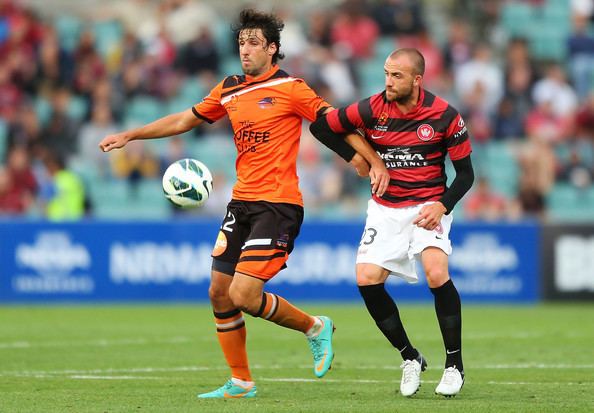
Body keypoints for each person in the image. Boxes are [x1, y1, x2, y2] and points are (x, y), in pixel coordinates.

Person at [99, 9, 389, 399]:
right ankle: (241, 381)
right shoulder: (230, 88)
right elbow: (185, 119)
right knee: (219, 292)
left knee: (244, 296)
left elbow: (335, 121)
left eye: (254, 43)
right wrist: (131, 135)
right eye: (241, 43)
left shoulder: (292, 88)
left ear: (272, 49)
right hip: (241, 203)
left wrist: (373, 161)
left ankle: (314, 327)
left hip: (278, 205)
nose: (245, 50)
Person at [310, 48, 474, 397]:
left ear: (417, 80)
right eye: (386, 73)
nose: (388, 81)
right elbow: (322, 126)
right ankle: (410, 357)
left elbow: (466, 175)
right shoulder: (371, 108)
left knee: (436, 273)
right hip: (386, 208)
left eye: (396, 75)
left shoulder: (445, 115)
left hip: (429, 204)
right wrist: (363, 159)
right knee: (366, 279)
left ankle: (454, 365)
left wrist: (443, 206)